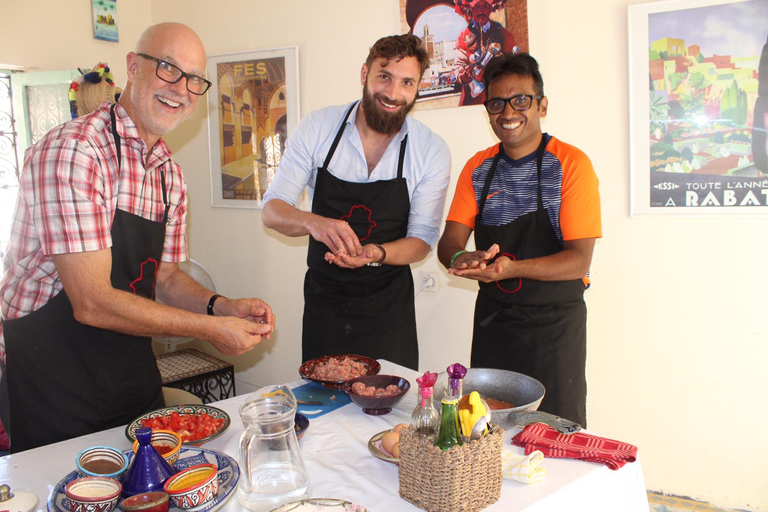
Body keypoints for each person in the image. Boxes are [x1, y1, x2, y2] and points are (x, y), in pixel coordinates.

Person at [0, 22, 275, 453]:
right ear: (132, 66)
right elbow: (90, 301)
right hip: (55, 379)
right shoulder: (76, 151)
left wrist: (221, 306)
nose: (181, 89)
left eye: (195, 79)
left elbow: (163, 279)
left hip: (132, 377)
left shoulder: (169, 174)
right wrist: (210, 329)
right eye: (168, 68)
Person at [262, 34, 451, 371]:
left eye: (407, 82)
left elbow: (422, 240)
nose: (394, 93)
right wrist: (313, 222)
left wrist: (376, 253)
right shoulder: (318, 128)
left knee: (390, 417)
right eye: (384, 77)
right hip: (326, 306)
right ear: (364, 73)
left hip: (389, 310)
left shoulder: (430, 150)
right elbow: (273, 209)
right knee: (322, 412)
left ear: (418, 88)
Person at [437, 53, 601, 426]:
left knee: (555, 434)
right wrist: (463, 257)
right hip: (494, 325)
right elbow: (448, 242)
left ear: (541, 105)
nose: (508, 112)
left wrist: (511, 269)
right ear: (488, 110)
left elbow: (579, 261)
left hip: (554, 329)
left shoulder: (570, 164)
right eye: (496, 103)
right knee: (485, 429)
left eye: (521, 100)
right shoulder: (478, 168)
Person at [454, 0, 518, 106]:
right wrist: (463, 76)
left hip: (498, 94)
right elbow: (458, 65)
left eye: (484, 7)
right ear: (472, 9)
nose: (481, 11)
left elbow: (514, 62)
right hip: (473, 99)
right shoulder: (464, 35)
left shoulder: (502, 33)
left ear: (490, 8)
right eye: (477, 7)